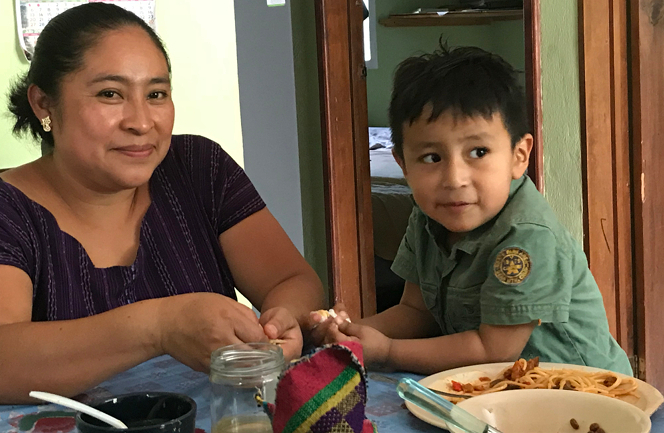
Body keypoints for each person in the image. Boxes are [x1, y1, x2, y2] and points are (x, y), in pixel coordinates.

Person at [0, 3, 324, 404]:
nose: (141, 121)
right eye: (110, 94)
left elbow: (292, 281)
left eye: (156, 94)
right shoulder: (9, 211)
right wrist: (160, 327)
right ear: (43, 104)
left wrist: (281, 325)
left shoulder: (198, 169)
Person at [312, 45, 632, 376]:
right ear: (403, 164)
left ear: (519, 156)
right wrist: (350, 333)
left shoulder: (527, 236)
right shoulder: (426, 219)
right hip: (499, 393)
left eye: (478, 152)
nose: (454, 179)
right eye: (432, 158)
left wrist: (387, 351)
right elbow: (414, 311)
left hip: (582, 398)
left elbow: (492, 350)